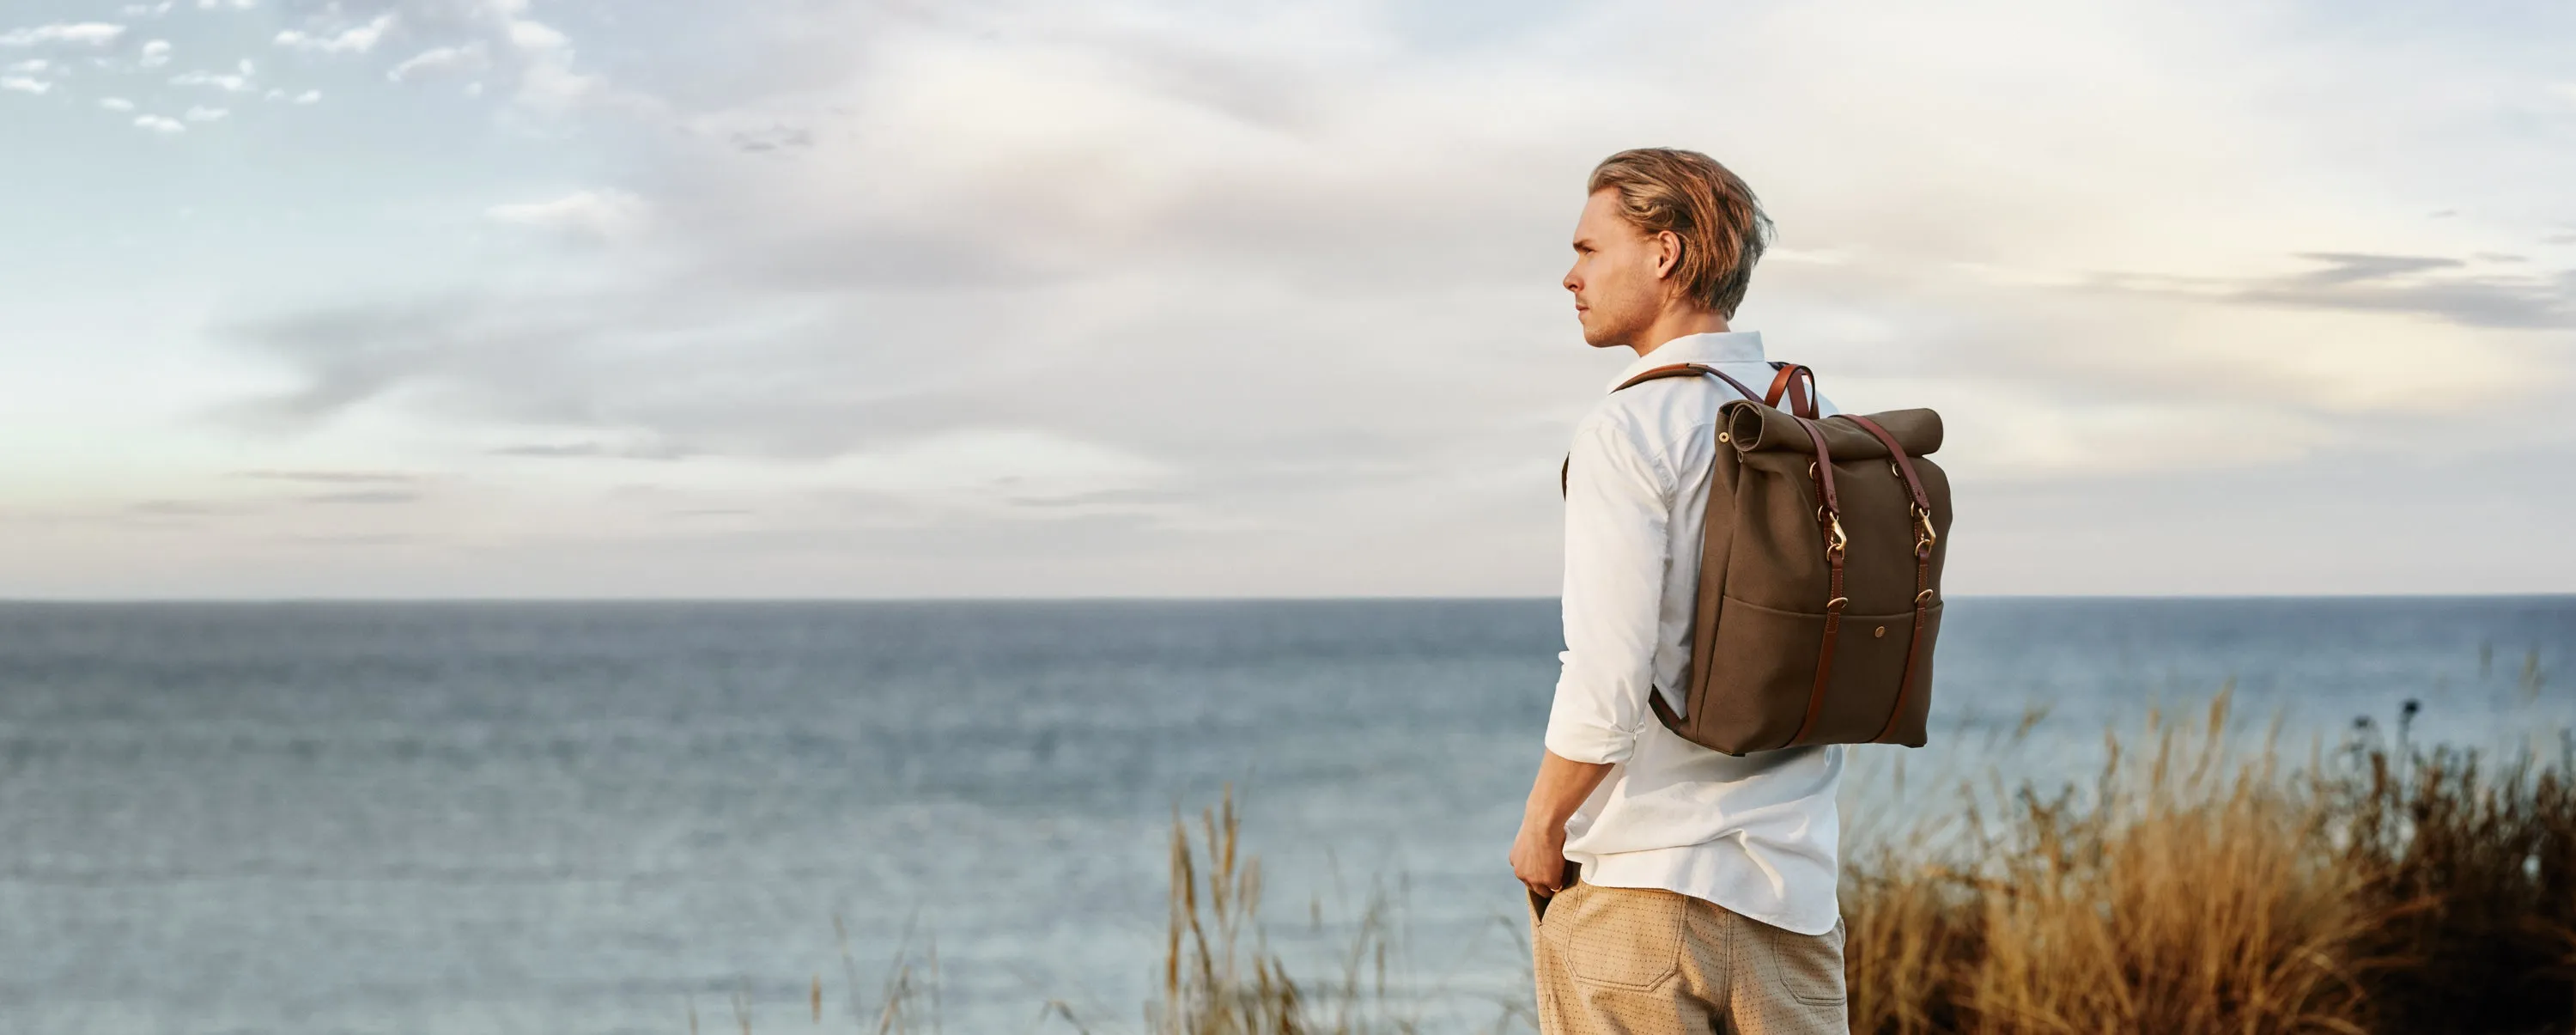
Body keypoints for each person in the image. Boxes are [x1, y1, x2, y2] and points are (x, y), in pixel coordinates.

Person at [1509, 148, 1848, 1033]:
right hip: (1795, 897)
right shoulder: (1802, 426)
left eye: (1589, 248)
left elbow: (1607, 679)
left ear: (1664, 253)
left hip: (1643, 892)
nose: (1569, 275)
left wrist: (1542, 823)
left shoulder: (1630, 426)